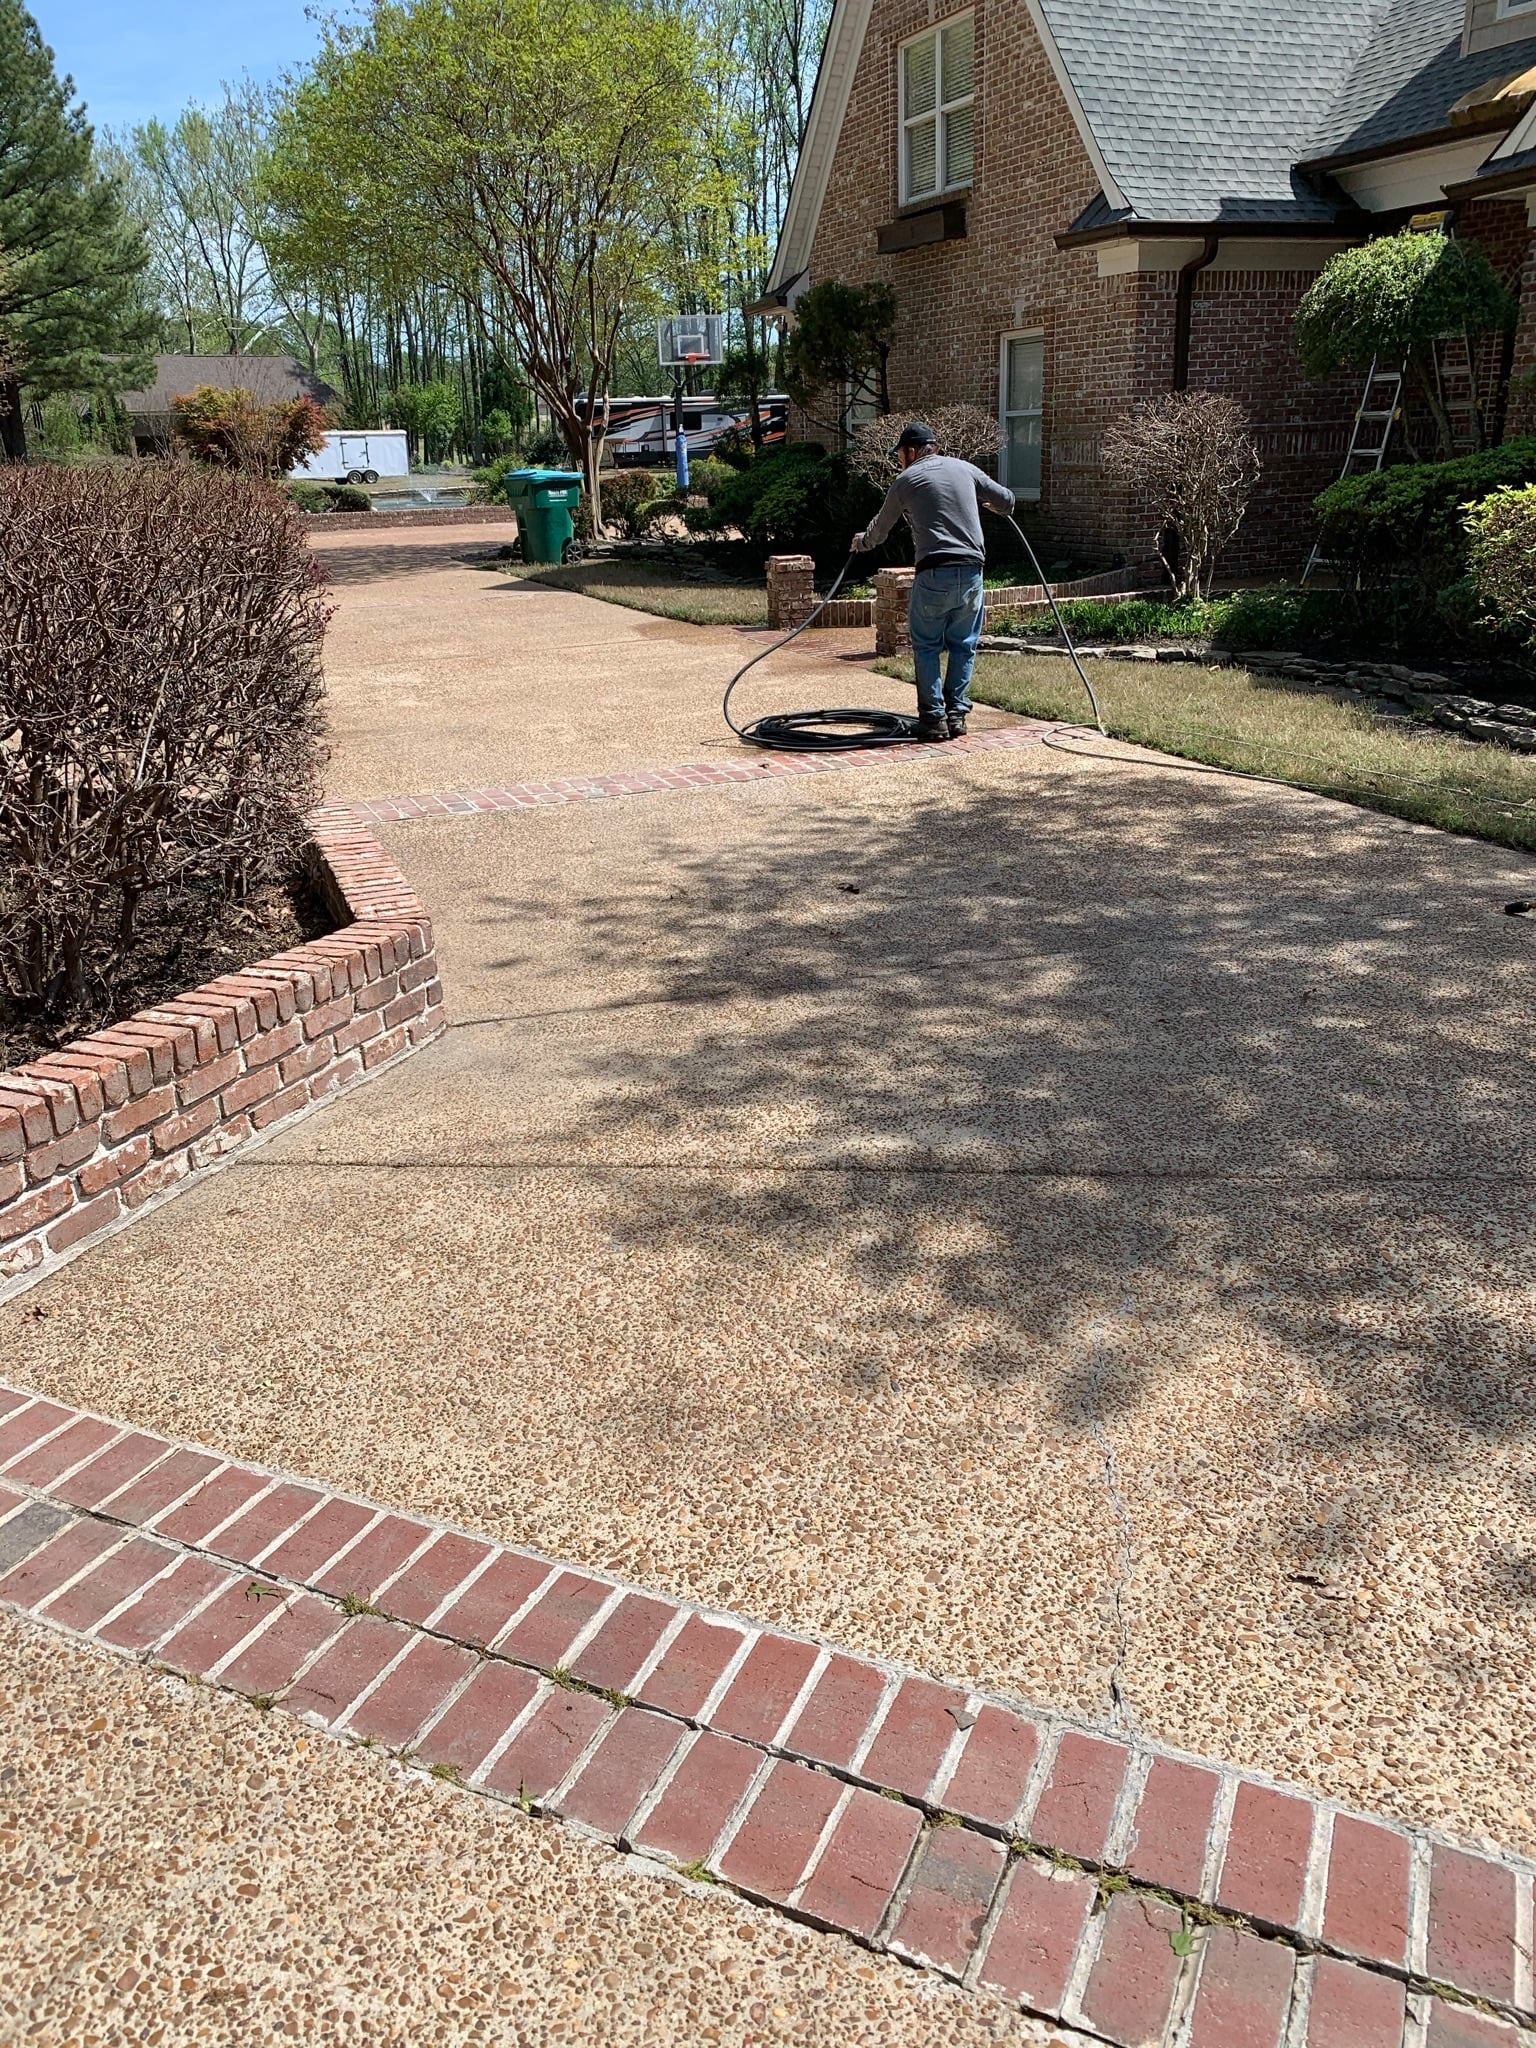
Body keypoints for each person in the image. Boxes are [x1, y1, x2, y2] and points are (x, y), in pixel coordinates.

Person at [852, 421, 1015, 741]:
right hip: (971, 574)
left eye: (900, 454)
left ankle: (933, 719)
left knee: (926, 646)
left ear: (911, 451)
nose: (899, 459)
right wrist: (987, 503)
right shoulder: (966, 469)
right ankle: (956, 716)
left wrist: (861, 542)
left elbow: (880, 528)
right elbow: (1007, 501)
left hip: (934, 573)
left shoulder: (906, 480)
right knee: (964, 645)